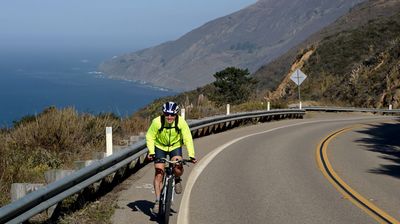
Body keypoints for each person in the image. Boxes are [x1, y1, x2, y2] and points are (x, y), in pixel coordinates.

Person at [146, 101, 197, 214]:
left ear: (176, 114)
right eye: (167, 114)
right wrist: (151, 151)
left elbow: (188, 138)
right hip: (160, 147)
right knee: (159, 172)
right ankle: (158, 201)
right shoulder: (157, 122)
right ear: (163, 113)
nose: (169, 117)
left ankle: (177, 178)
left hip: (175, 146)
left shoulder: (181, 122)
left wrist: (191, 155)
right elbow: (150, 136)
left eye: (172, 115)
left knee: (178, 167)